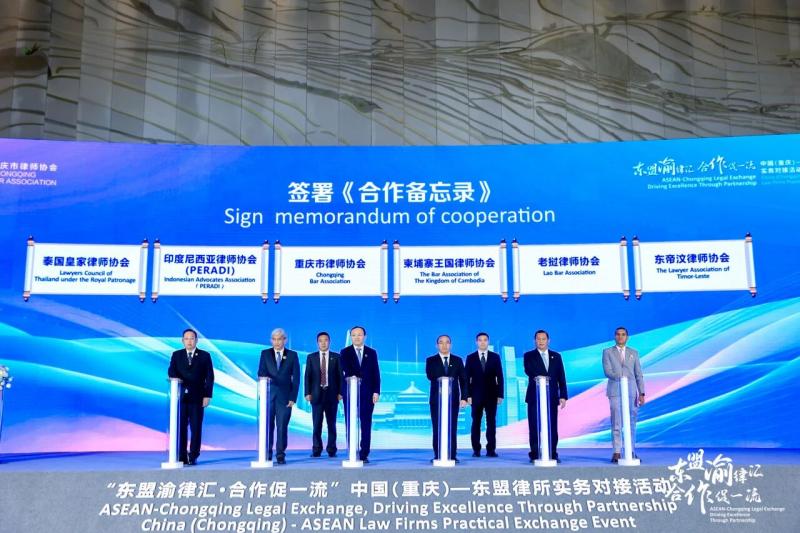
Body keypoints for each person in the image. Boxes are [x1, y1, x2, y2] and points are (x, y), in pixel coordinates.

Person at [167, 328, 214, 466]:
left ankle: (193, 455)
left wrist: (207, 395)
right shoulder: (176, 355)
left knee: (196, 427)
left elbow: (210, 377)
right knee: (181, 427)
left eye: (192, 338)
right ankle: (181, 455)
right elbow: (171, 371)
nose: (189, 341)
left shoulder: (205, 355)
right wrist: (177, 380)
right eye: (186, 338)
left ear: (196, 340)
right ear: (182, 341)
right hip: (180, 398)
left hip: (197, 398)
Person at [602, 326, 646, 463]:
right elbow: (607, 371)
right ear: (614, 336)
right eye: (618, 334)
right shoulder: (607, 352)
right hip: (615, 390)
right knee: (616, 421)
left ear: (627, 337)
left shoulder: (634, 353)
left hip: (631, 392)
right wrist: (621, 377)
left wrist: (642, 393)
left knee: (631, 422)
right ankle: (616, 451)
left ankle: (630, 451)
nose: (620, 337)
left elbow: (638, 374)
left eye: (623, 334)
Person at [523, 330, 568, 463]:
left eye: (543, 339)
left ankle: (552, 453)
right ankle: (535, 453)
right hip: (534, 396)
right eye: (538, 339)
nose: (541, 341)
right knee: (534, 426)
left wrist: (563, 395)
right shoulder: (528, 356)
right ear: (535, 341)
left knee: (552, 426)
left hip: (552, 396)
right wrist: (543, 378)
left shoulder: (556, 356)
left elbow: (561, 376)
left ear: (548, 340)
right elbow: (529, 371)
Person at [257, 328, 300, 465]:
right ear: (271, 340)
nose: (276, 342)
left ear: (284, 340)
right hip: (268, 396)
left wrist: (293, 397)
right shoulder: (265, 354)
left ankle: (280, 455)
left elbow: (296, 378)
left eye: (279, 339)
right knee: (267, 426)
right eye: (274, 339)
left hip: (285, 398)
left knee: (282, 427)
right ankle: (267, 453)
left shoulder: (292, 355)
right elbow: (261, 373)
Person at [340, 326, 381, 463]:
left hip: (367, 394)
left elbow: (376, 373)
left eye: (359, 335)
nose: (357, 337)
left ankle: (364, 453)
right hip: (350, 392)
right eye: (354, 335)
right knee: (350, 422)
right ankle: (351, 450)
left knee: (366, 423)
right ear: (351, 337)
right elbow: (345, 370)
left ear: (364, 337)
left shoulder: (372, 352)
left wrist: (376, 391)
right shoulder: (345, 352)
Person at [425, 335, 467, 463]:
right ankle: (438, 455)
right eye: (441, 343)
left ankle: (452, 455)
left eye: (447, 342)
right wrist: (443, 379)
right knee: (437, 427)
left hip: (453, 400)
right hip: (436, 400)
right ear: (437, 345)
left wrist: (464, 397)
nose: (444, 345)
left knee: (452, 427)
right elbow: (430, 375)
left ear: (451, 345)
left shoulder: (458, 360)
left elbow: (463, 380)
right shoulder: (431, 360)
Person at [465, 332, 504, 457]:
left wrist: (500, 394)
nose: (482, 342)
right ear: (476, 342)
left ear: (488, 342)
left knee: (491, 422)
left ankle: (491, 449)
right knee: (476, 422)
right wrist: (467, 396)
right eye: (480, 340)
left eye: (485, 340)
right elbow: (466, 378)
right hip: (475, 395)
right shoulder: (470, 357)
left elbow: (500, 377)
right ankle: (476, 449)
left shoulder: (495, 357)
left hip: (492, 395)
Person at [304, 331, 343, 458]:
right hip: (316, 395)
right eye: (320, 341)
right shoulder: (311, 357)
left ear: (329, 342)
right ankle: (316, 449)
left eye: (326, 340)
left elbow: (340, 376)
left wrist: (341, 392)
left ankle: (332, 449)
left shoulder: (336, 357)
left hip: (332, 395)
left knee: (332, 424)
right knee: (316, 424)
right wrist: (307, 393)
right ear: (317, 343)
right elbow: (307, 376)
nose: (323, 343)